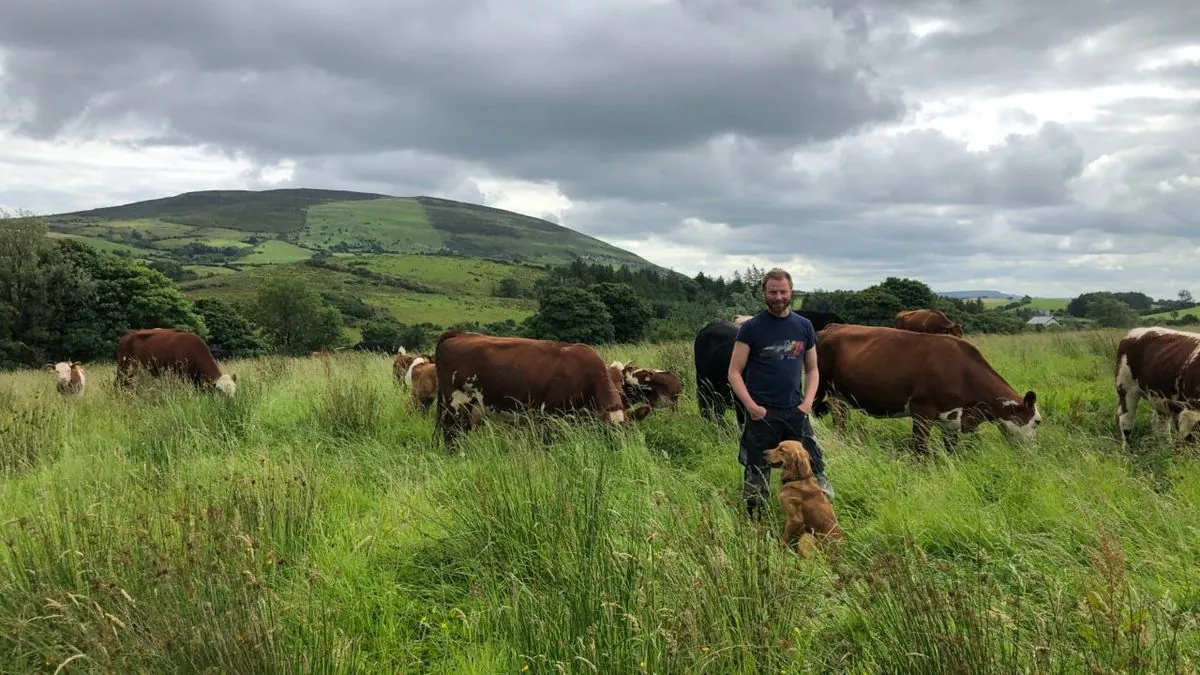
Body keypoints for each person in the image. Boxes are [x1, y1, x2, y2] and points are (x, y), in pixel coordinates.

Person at [727, 267, 833, 520]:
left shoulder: (803, 326)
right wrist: (752, 407)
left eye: (783, 291)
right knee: (756, 468)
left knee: (813, 465)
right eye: (772, 292)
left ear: (791, 292)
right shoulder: (751, 328)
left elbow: (813, 369)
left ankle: (819, 518)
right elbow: (734, 372)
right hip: (761, 413)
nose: (778, 297)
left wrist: (807, 403)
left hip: (795, 411)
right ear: (764, 293)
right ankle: (756, 522)